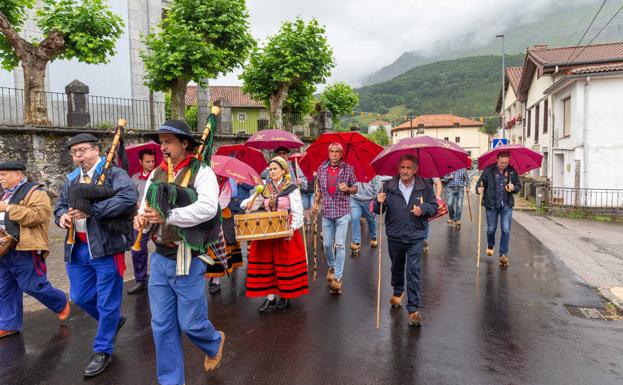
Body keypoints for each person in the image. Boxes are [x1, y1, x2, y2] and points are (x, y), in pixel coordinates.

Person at [134, 120, 225, 384]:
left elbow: (209, 208)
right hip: (160, 257)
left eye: (169, 141)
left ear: (185, 144)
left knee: (191, 324)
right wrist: (140, 218)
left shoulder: (202, 171)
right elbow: (146, 205)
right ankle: (171, 381)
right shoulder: (157, 173)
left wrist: (169, 216)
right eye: (161, 142)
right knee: (161, 327)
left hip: (187, 256)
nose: (162, 147)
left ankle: (213, 340)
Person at [54, 134, 136, 377]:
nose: (78, 156)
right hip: (77, 248)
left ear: (96, 150)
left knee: (107, 301)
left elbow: (128, 198)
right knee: (80, 296)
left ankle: (103, 351)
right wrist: (61, 217)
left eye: (82, 150)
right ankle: (112, 320)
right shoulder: (71, 179)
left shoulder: (113, 173)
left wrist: (94, 210)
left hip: (106, 247)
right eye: (74, 152)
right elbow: (59, 204)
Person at [0, 161, 70, 339]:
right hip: (3, 249)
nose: (0, 178)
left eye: (4, 174)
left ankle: (60, 302)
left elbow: (38, 216)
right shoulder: (3, 194)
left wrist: (8, 208)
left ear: (18, 175)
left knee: (33, 286)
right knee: (4, 288)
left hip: (24, 247)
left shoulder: (36, 192)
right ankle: (9, 324)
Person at [374, 154, 438, 326]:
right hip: (395, 234)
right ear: (398, 169)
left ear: (415, 170)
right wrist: (378, 201)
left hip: (416, 235)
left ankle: (413, 309)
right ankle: (398, 290)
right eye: (402, 167)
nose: (405, 171)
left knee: (414, 270)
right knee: (396, 265)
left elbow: (434, 207)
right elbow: (378, 210)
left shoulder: (425, 186)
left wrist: (423, 208)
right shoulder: (388, 186)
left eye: (409, 168)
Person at [242, 156, 308, 311]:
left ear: (284, 170)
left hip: (285, 230)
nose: (271, 172)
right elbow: (253, 204)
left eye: (275, 169)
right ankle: (270, 297)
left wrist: (292, 228)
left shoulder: (291, 188)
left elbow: (298, 212)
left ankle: (285, 295)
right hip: (268, 230)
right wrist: (248, 204)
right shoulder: (264, 188)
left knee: (284, 264)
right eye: (270, 169)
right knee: (268, 264)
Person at [312, 142, 357, 295]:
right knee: (327, 244)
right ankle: (331, 265)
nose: (334, 154)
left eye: (337, 152)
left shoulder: (348, 168)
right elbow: (319, 189)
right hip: (327, 213)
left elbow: (355, 187)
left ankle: (338, 277)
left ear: (341, 153)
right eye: (332, 151)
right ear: (328, 152)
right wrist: (316, 203)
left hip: (343, 212)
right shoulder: (321, 168)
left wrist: (348, 189)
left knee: (340, 245)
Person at [476, 151, 521, 267]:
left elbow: (518, 186)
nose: (504, 165)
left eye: (506, 163)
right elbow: (480, 184)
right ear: (497, 160)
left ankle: (503, 255)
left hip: (506, 205)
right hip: (491, 205)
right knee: (491, 229)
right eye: (502, 162)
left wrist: (513, 187)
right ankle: (490, 244)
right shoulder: (488, 170)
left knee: (506, 229)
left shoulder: (511, 171)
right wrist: (479, 189)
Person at [205, 176, 244, 294]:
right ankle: (213, 276)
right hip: (208, 214)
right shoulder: (207, 180)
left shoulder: (227, 183)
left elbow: (225, 200)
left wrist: (210, 202)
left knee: (220, 247)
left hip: (221, 214)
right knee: (209, 249)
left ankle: (216, 280)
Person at [128, 148, 156, 295]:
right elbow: (130, 197)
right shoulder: (134, 178)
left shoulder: (159, 175)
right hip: (141, 218)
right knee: (137, 250)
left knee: (167, 246)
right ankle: (140, 280)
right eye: (147, 161)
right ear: (140, 162)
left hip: (157, 218)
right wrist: (136, 204)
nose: (151, 164)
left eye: (153, 161)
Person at [349, 175, 391, 254]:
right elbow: (348, 184)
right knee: (355, 218)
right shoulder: (353, 172)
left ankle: (373, 237)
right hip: (355, 199)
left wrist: (376, 201)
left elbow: (377, 189)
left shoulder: (374, 175)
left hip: (369, 200)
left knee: (371, 219)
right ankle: (356, 242)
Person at [422, 177, 442, 255]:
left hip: (427, 201)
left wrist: (437, 197)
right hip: (414, 199)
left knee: (426, 220)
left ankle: (424, 239)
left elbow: (438, 183)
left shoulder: (431, 171)